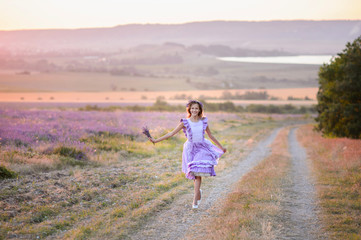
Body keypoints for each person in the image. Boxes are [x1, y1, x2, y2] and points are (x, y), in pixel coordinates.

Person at [147, 100, 226, 209]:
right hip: (190, 149)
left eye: (196, 108)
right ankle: (198, 192)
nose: (194, 110)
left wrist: (221, 147)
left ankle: (194, 200)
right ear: (189, 109)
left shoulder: (203, 121)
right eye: (192, 108)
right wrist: (156, 140)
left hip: (202, 147)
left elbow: (211, 135)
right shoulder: (185, 122)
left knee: (198, 173)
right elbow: (171, 133)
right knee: (194, 173)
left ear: (200, 110)